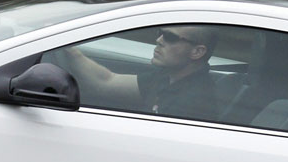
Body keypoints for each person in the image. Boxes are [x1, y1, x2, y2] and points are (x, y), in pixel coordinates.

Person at [59, 26, 220, 120]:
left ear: (197, 52)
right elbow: (107, 81)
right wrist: (69, 50)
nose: (159, 40)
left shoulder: (195, 103)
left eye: (170, 37)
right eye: (160, 33)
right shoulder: (168, 77)